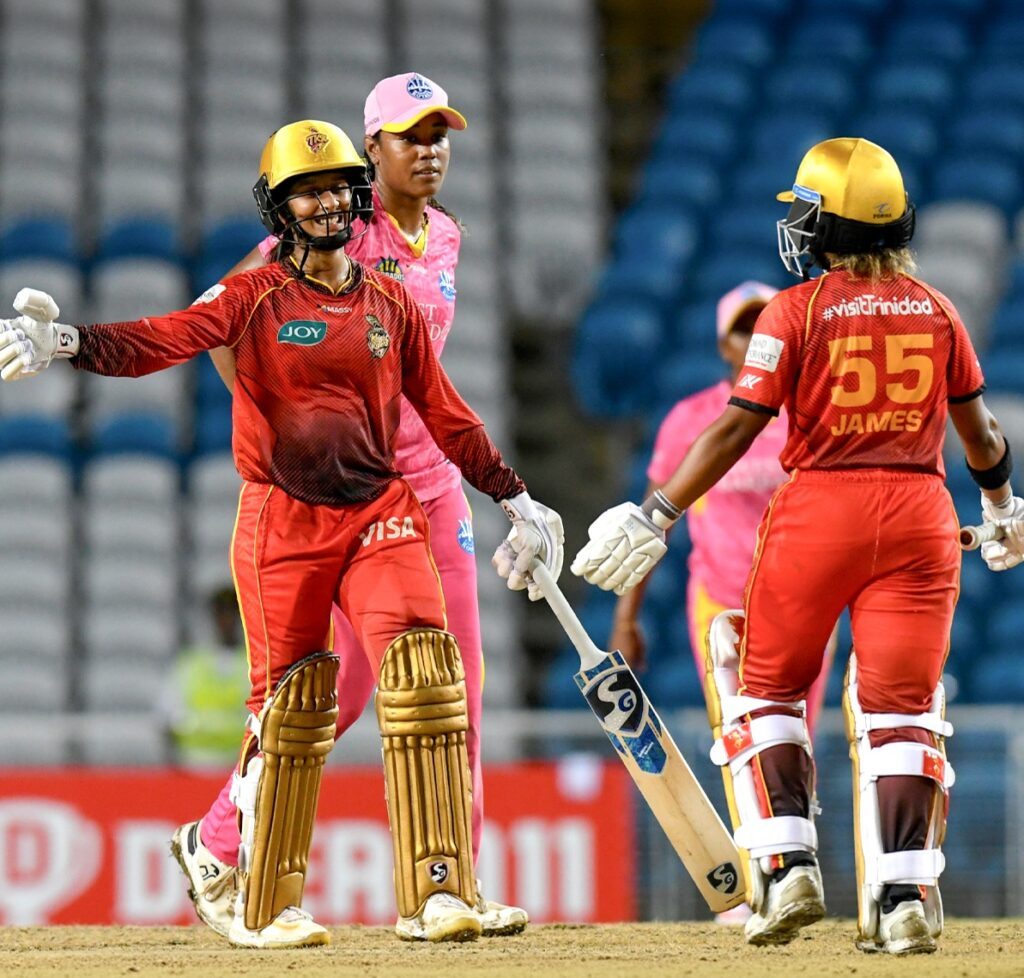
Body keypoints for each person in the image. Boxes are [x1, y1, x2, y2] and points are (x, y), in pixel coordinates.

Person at [0, 118, 563, 950]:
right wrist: (71, 342)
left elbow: (445, 413)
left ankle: (440, 890)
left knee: (423, 672)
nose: (328, 201)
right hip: (283, 520)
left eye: (337, 185)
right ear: (280, 208)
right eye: (308, 190)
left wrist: (517, 498)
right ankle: (263, 899)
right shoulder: (253, 296)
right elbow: (165, 339)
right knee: (294, 710)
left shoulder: (390, 302)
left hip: (382, 510)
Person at [571, 137, 1022, 955]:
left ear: (834, 224)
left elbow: (738, 427)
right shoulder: (937, 308)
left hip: (820, 508)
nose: (800, 226)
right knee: (904, 713)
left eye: (810, 212)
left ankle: (789, 869)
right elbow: (982, 434)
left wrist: (657, 512)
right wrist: (1000, 508)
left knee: (762, 686)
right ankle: (907, 896)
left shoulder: (796, 310)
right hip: (922, 514)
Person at [172, 72, 528, 942]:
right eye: (410, 135)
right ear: (373, 148)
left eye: (440, 133)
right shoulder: (337, 226)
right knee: (337, 697)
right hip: (344, 495)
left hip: (429, 488)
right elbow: (218, 316)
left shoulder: (445, 236)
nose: (430, 149)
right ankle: (219, 839)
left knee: (455, 686)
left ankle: (456, 882)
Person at [607, 282, 836, 926]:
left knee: (795, 743)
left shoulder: (812, 413)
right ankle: (763, 880)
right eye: (742, 327)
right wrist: (628, 617)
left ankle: (785, 869)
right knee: (740, 736)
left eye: (765, 323)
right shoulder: (692, 419)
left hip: (803, 604)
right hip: (720, 604)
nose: (753, 336)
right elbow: (654, 523)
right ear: (722, 344)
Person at [164, 584, 250, 767]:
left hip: (238, 771)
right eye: (221, 613)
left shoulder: (254, 666)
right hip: (191, 766)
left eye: (232, 613)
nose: (227, 621)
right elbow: (167, 718)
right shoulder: (189, 664)